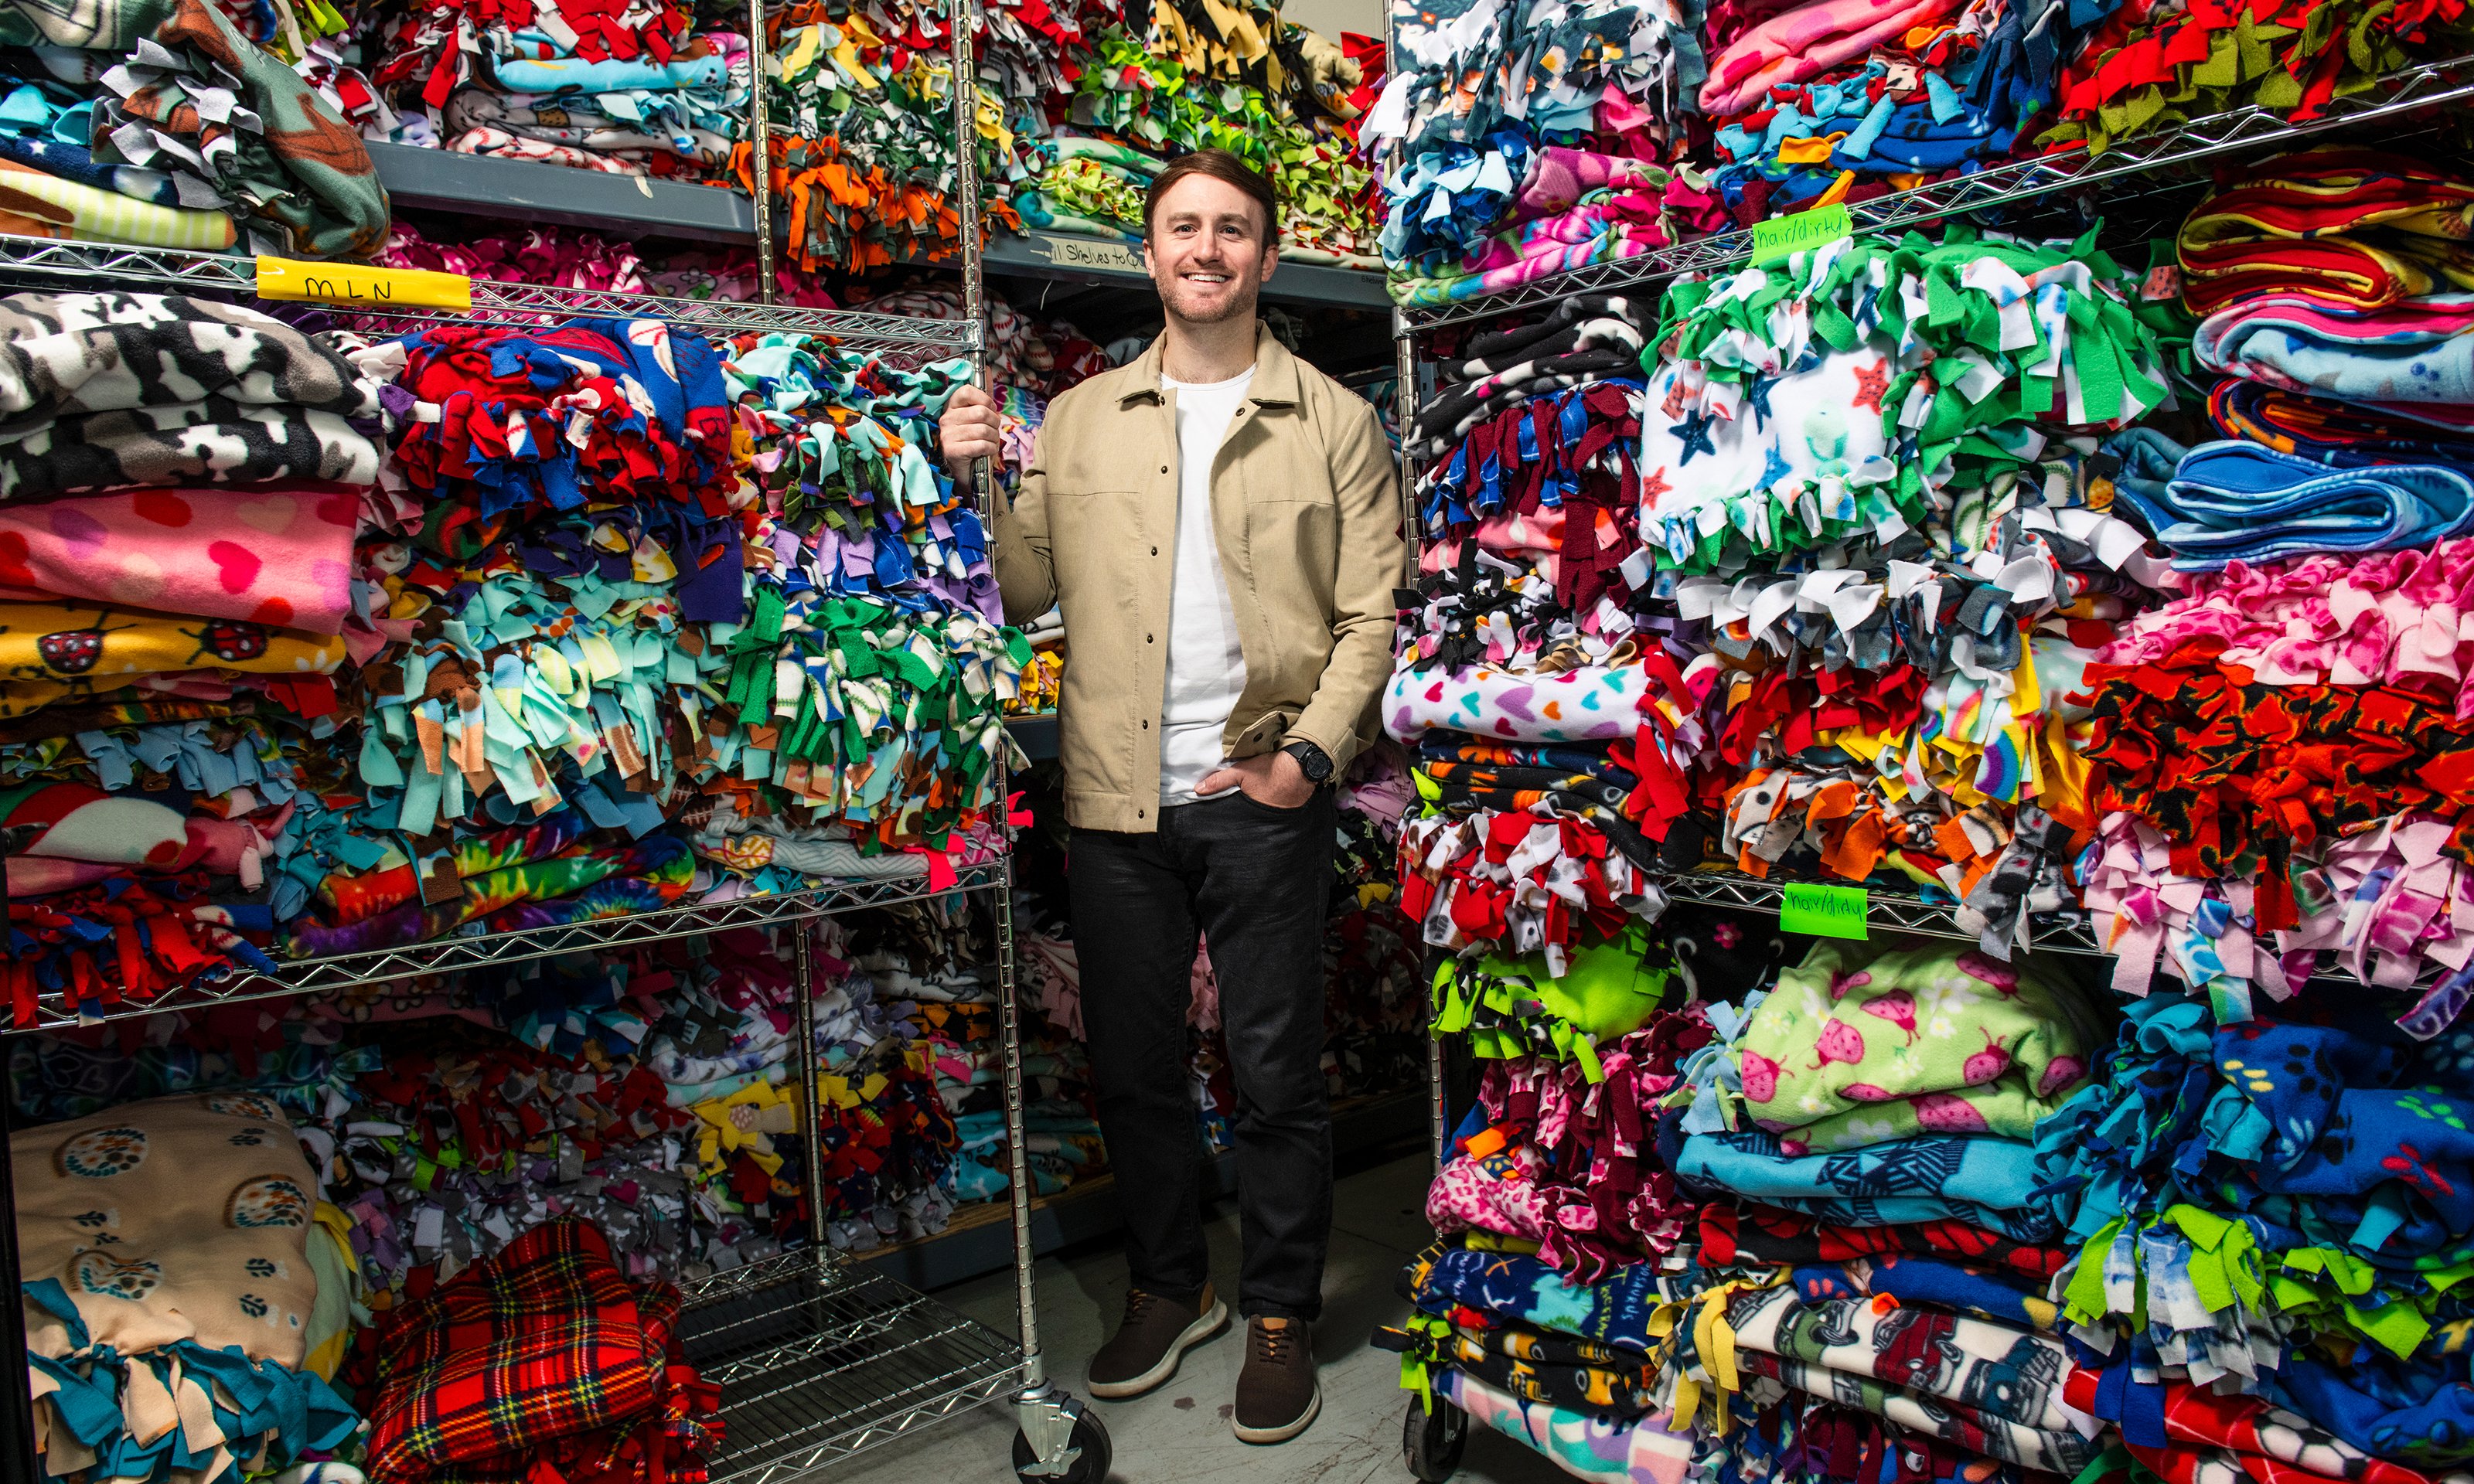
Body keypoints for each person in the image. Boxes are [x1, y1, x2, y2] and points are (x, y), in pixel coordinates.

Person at [938, 148, 1403, 1445]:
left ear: (1266, 253)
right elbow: (1024, 590)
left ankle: (1278, 1309)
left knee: (1273, 1073)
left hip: (1259, 789)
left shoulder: (1332, 420)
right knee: (1133, 1067)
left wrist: (1304, 760)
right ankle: (1167, 1281)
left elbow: (1373, 615)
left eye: (1233, 230)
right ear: (1149, 255)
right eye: (1183, 228)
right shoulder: (1084, 417)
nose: (1207, 249)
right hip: (1111, 797)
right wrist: (972, 471)